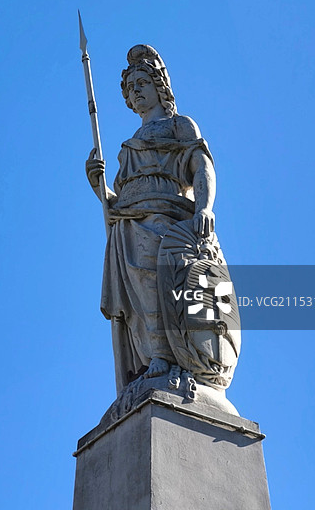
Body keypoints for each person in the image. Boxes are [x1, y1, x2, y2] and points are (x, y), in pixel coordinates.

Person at [86, 45, 237, 397]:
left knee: (161, 287)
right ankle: (153, 360)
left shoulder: (180, 126)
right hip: (127, 226)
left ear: (159, 86)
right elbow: (116, 203)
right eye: (130, 88)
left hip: (164, 219)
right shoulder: (128, 147)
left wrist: (205, 207)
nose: (136, 91)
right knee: (137, 301)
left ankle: (174, 360)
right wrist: (98, 186)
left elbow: (202, 168)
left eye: (142, 82)